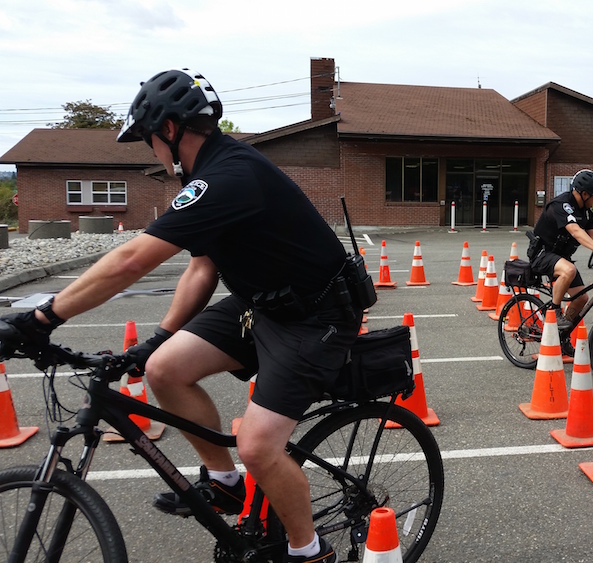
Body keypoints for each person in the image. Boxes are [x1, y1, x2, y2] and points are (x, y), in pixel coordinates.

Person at [1, 69, 358, 562]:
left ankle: (309, 549)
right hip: (263, 305)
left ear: (169, 129)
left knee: (257, 445)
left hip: (316, 317)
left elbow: (130, 261)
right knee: (163, 369)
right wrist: (160, 337)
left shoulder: (229, 175)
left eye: (148, 138)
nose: (151, 149)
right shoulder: (207, 176)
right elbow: (202, 265)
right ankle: (226, 483)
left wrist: (42, 319)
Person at [529, 169, 593, 333]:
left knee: (581, 298)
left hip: (561, 257)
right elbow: (575, 231)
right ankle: (552, 312)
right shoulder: (561, 205)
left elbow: (592, 232)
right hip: (543, 254)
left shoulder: (585, 211)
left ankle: (561, 335)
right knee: (569, 270)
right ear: (585, 194)